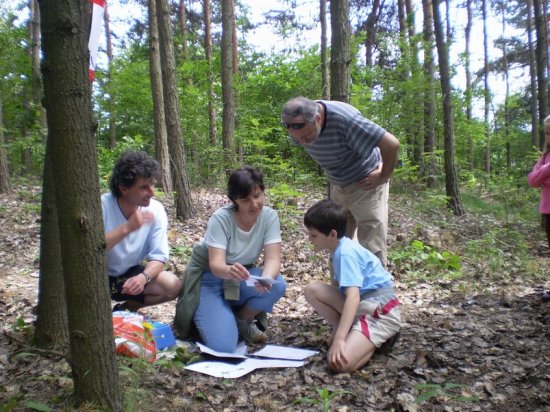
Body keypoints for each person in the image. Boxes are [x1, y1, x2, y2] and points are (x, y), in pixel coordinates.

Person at [175, 166, 287, 353]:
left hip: (243, 276)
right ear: (235, 200)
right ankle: (213, 315)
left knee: (277, 284)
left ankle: (241, 320)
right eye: (246, 199)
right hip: (211, 279)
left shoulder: (269, 217)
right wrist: (229, 270)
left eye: (258, 196)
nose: (254, 204)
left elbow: (273, 258)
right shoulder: (221, 218)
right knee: (224, 346)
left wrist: (264, 279)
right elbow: (216, 264)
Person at [281, 97, 399, 267]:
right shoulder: (296, 123)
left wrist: (383, 176)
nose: (303, 142)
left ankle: (376, 293)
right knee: (336, 243)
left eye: (306, 136)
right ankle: (341, 291)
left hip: (367, 183)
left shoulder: (345, 120)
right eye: (298, 139)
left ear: (318, 119)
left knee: (371, 246)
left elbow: (392, 144)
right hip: (338, 184)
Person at [303, 199, 401, 372]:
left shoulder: (345, 254)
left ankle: (377, 340)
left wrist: (340, 339)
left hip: (379, 311)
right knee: (312, 290)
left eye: (314, 235)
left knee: (340, 364)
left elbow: (353, 297)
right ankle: (349, 331)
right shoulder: (341, 248)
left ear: (332, 234)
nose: (310, 239)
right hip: (364, 305)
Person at [103, 150, 182, 312]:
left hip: (127, 276)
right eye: (144, 187)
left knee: (172, 285)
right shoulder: (102, 206)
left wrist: (142, 278)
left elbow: (159, 256)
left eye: (152, 184)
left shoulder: (156, 210)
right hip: (97, 275)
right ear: (124, 188)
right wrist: (127, 228)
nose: (152, 192)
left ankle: (124, 310)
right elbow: (90, 249)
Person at [528, 115, 550, 302]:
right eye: (547, 133)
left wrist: (544, 176)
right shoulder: (545, 156)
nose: (549, 137)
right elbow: (533, 180)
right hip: (547, 210)